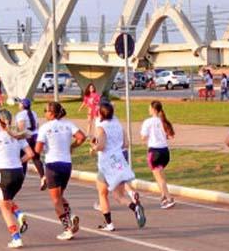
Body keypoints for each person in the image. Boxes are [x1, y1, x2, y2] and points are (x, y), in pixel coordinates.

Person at [34, 102, 86, 240]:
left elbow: (37, 149)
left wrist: (43, 149)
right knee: (60, 195)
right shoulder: (68, 124)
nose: (44, 113)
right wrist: (72, 146)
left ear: (52, 113)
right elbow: (82, 137)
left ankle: (67, 228)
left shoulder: (45, 127)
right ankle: (71, 216)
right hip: (66, 164)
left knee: (56, 200)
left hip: (52, 164)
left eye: (45, 110)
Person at [91, 102, 145, 231]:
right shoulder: (118, 125)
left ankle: (109, 224)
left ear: (100, 114)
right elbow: (126, 144)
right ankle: (135, 208)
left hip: (106, 163)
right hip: (119, 160)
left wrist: (93, 147)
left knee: (102, 194)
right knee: (118, 196)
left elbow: (101, 146)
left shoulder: (101, 127)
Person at [0, 110, 32, 249]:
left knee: (4, 207)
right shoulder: (18, 135)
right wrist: (18, 161)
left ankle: (16, 237)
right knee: (8, 200)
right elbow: (30, 154)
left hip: (3, 173)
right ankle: (18, 214)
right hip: (18, 173)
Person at [140, 101, 176, 209]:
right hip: (165, 152)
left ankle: (169, 198)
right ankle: (163, 196)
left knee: (159, 178)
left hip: (154, 152)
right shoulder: (163, 121)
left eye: (149, 108)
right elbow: (170, 136)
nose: (148, 109)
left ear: (153, 109)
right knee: (161, 176)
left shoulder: (148, 122)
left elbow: (143, 137)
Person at [16, 99, 46, 191]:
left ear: (22, 105)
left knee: (23, 158)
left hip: (27, 137)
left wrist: (17, 136)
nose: (18, 104)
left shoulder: (20, 114)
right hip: (35, 136)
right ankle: (42, 177)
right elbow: (37, 126)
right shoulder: (34, 113)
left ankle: (21, 179)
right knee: (36, 158)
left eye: (20, 103)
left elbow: (21, 128)